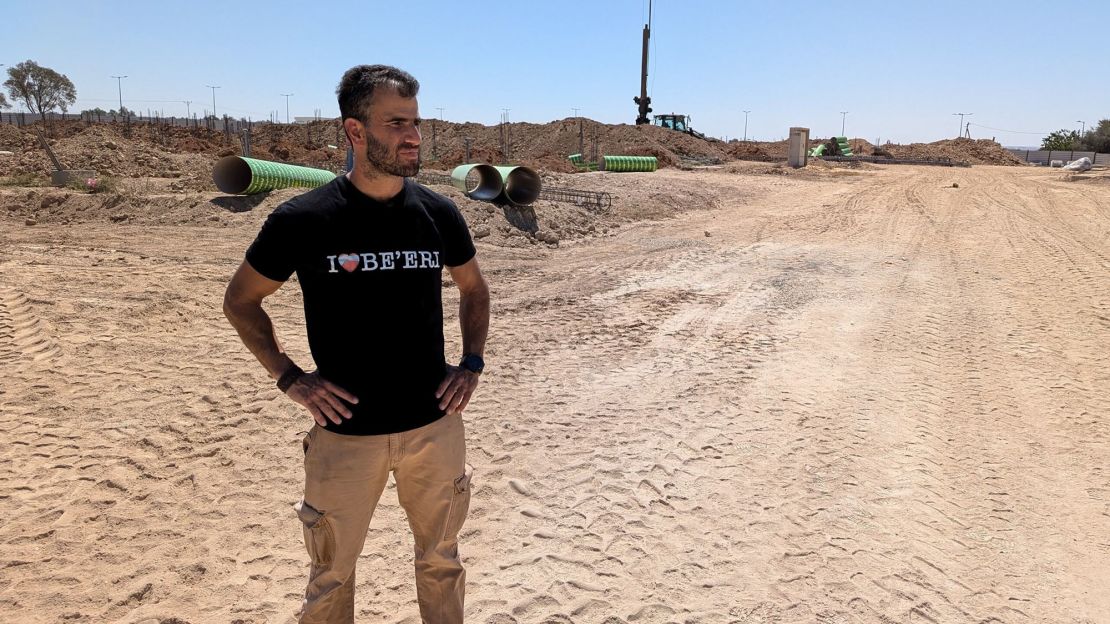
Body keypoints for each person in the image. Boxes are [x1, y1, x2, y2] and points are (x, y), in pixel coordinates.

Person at [223, 64, 489, 624]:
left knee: (442, 561)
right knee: (330, 578)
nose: (413, 135)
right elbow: (242, 301)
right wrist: (291, 378)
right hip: (344, 437)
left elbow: (474, 291)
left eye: (416, 122)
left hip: (433, 428)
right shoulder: (303, 219)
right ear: (355, 131)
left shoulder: (438, 213)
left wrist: (470, 364)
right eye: (396, 122)